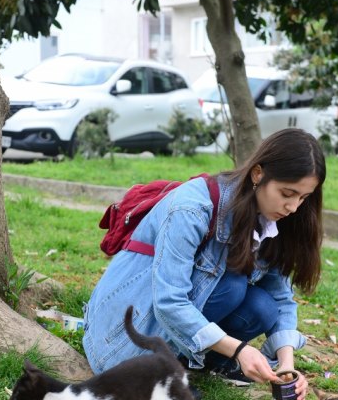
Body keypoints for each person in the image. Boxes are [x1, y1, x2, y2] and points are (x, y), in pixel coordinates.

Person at [83, 128, 325, 400]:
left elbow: (280, 297)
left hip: (169, 330)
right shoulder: (192, 208)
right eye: (287, 193)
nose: (293, 207)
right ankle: (168, 371)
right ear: (258, 174)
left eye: (303, 198)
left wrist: (287, 366)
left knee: (263, 307)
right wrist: (239, 350)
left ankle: (197, 363)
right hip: (123, 338)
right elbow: (169, 301)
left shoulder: (273, 220)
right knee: (233, 286)